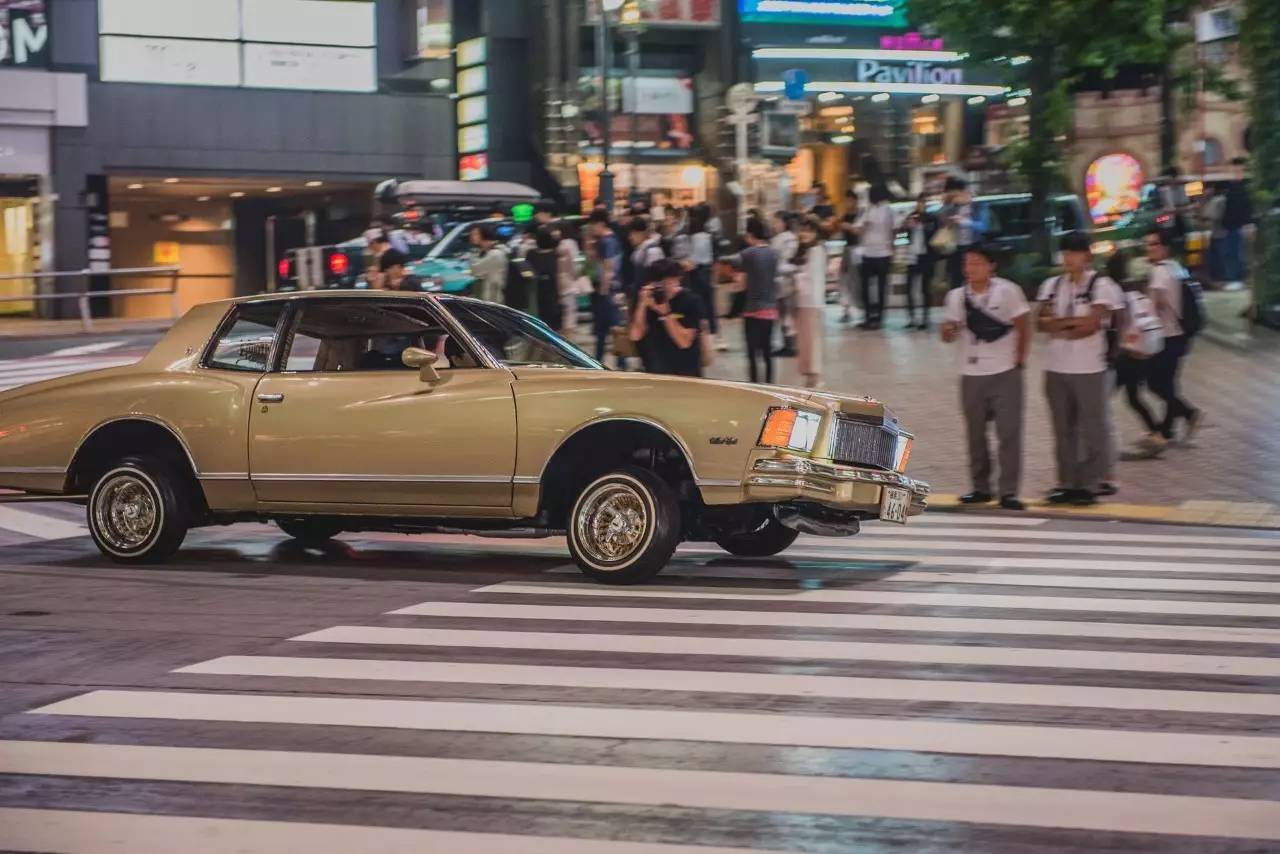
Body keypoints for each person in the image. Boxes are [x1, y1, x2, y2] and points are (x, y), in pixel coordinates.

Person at [1035, 232, 1125, 506]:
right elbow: (1040, 323)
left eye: (1073, 252)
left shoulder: (1102, 285)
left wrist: (1059, 324)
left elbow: (1090, 326)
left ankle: (1090, 483)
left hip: (1089, 368)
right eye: (1065, 253)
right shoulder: (1052, 285)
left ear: (1087, 255)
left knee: (1093, 427)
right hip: (1056, 368)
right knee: (1063, 430)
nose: (1068, 258)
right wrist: (1071, 323)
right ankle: (1067, 483)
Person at [941, 244, 1030, 510]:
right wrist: (948, 331)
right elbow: (947, 334)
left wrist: (1019, 361)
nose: (971, 269)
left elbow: (1024, 326)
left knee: (1009, 433)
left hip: (1005, 372)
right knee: (975, 434)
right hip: (970, 373)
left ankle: (1009, 491)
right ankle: (980, 487)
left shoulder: (1009, 291)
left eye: (977, 263)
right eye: (967, 264)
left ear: (991, 266)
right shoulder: (956, 296)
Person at [1144, 228, 1202, 445]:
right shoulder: (1177, 268)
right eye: (1148, 244)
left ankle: (1187, 414)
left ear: (1165, 248)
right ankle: (1168, 430)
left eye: (1154, 244)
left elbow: (1157, 304)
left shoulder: (1159, 271)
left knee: (1156, 383)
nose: (1149, 248)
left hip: (1167, 335)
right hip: (1181, 333)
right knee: (1167, 384)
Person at [1107, 251, 1165, 456]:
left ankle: (1105, 441)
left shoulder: (1117, 294)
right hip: (1143, 353)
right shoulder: (1138, 294)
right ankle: (1157, 434)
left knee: (1104, 397)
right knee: (1133, 397)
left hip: (1126, 355)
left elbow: (1119, 326)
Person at [629, 259, 705, 377]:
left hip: (686, 372)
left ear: (677, 280)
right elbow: (635, 335)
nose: (662, 289)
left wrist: (666, 314)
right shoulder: (648, 299)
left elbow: (684, 342)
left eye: (667, 284)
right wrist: (642, 305)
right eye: (658, 285)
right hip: (655, 370)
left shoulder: (690, 301)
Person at [739, 218, 779, 383]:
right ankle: (770, 385)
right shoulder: (774, 253)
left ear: (749, 234)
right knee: (767, 351)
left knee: (752, 353)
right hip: (770, 308)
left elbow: (742, 283)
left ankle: (755, 385)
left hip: (752, 309)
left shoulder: (747, 254)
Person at [790, 216, 829, 388]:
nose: (805, 234)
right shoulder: (806, 250)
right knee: (805, 339)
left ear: (816, 233)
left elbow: (811, 277)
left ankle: (814, 376)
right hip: (803, 301)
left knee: (812, 339)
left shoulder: (817, 250)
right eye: (803, 230)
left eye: (809, 231)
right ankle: (809, 375)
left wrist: (795, 275)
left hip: (812, 301)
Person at [586, 208, 623, 364]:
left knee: (607, 327)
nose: (592, 229)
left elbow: (608, 266)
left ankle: (614, 360)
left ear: (600, 223)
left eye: (593, 225)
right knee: (609, 327)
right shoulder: (611, 239)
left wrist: (604, 288)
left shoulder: (606, 242)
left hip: (607, 290)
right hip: (611, 288)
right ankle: (617, 360)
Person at [856, 184, 896, 330]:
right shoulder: (869, 210)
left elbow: (894, 229)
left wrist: (892, 247)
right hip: (871, 252)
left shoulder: (886, 210)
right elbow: (858, 229)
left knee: (878, 288)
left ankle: (876, 318)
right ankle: (871, 317)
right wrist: (864, 227)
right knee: (868, 288)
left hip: (880, 253)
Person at [687, 205, 721, 351]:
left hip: (694, 271)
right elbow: (715, 259)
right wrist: (715, 278)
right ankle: (714, 333)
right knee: (710, 304)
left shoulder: (691, 236)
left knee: (696, 303)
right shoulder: (710, 235)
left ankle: (699, 332)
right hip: (706, 271)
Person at [943, 179, 988, 289]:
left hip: (973, 246)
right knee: (955, 280)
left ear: (962, 192)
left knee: (973, 278)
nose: (954, 198)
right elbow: (940, 217)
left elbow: (984, 227)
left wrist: (966, 222)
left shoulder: (978, 205)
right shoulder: (953, 207)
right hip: (956, 248)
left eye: (955, 195)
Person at [904, 193, 939, 331]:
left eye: (924, 202)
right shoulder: (911, 216)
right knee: (909, 288)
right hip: (912, 256)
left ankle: (925, 318)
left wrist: (923, 226)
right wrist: (908, 227)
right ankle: (912, 318)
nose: (921, 205)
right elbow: (904, 235)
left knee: (925, 289)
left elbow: (935, 235)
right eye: (919, 202)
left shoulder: (931, 219)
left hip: (926, 256)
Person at [1220, 158, 1253, 291]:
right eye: (1234, 169)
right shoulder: (1231, 187)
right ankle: (1234, 279)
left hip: (1240, 226)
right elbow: (1228, 208)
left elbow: (1247, 207)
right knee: (1231, 253)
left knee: (1238, 254)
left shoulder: (1245, 187)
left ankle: (1238, 280)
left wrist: (1249, 223)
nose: (1235, 172)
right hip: (1231, 226)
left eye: (1238, 169)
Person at [770, 211, 800, 356]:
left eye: (776, 222)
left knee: (787, 314)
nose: (774, 225)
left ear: (784, 223)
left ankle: (790, 346)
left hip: (786, 280)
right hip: (780, 280)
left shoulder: (788, 239)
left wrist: (778, 269)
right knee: (783, 314)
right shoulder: (780, 238)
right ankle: (786, 344)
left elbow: (788, 260)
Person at [527, 224, 562, 330]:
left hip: (537, 288)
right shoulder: (555, 254)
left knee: (541, 316)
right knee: (553, 316)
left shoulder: (531, 254)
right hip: (552, 288)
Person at [468, 222, 508, 305]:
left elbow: (475, 270)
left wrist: (473, 256)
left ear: (485, 234)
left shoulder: (495, 253)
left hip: (494, 299)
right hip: (490, 297)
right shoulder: (488, 251)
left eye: (476, 234)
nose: (472, 237)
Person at [556, 219, 582, 336]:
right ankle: (568, 339)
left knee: (562, 315)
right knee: (570, 313)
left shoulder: (557, 244)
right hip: (569, 282)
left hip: (557, 283)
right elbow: (575, 264)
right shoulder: (571, 244)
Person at [838, 193, 861, 323]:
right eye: (847, 201)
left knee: (855, 280)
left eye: (850, 201)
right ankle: (846, 310)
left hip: (858, 249)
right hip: (847, 249)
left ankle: (858, 307)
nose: (848, 204)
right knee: (844, 279)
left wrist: (850, 227)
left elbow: (860, 232)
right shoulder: (844, 216)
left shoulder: (861, 215)